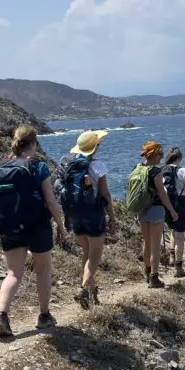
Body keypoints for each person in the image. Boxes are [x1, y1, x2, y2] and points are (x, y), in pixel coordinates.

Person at [0, 126, 64, 337]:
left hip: (9, 226)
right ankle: (44, 316)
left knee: (13, 273)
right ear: (33, 143)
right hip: (37, 225)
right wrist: (60, 224)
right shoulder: (38, 166)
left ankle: (1, 315)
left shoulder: (3, 167)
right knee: (43, 270)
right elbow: (50, 200)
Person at [60, 130, 117, 309]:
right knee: (94, 255)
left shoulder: (67, 162)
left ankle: (92, 297)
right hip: (93, 213)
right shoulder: (97, 166)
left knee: (86, 253)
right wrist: (112, 218)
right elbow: (104, 193)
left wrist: (66, 217)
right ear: (95, 147)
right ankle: (84, 290)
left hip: (74, 214)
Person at [137, 141, 178, 289]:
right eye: (160, 154)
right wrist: (172, 211)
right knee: (155, 246)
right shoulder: (156, 172)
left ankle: (147, 273)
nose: (161, 157)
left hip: (141, 210)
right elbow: (162, 193)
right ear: (154, 155)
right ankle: (154, 278)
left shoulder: (137, 168)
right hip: (155, 210)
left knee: (146, 242)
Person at [162, 147, 185, 277]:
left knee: (173, 230)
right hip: (181, 205)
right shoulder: (183, 171)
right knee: (180, 236)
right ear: (180, 158)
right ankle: (178, 268)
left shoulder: (162, 170)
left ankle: (172, 256)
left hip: (166, 206)